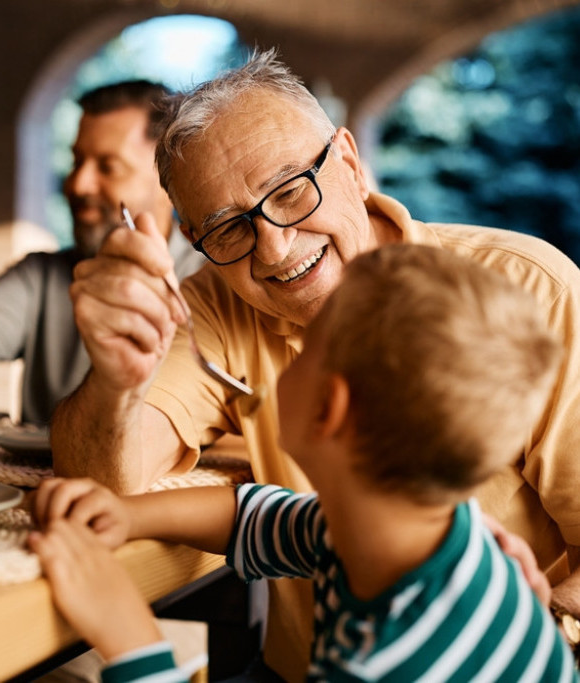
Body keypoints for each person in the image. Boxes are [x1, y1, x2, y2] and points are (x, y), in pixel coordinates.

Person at [51, 48, 580, 680]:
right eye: (226, 229)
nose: (274, 246)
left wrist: (133, 641)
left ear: (352, 164)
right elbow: (264, 518)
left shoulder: (531, 289)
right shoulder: (372, 527)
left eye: (291, 189)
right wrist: (115, 389)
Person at [32, 244, 577, 682]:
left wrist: (131, 638)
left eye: (306, 344)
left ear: (327, 408)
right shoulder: (408, 535)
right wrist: (129, 514)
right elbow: (270, 519)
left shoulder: (388, 661)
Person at [0, 80, 204, 425]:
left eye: (108, 167)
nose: (78, 184)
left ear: (170, 182)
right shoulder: (39, 276)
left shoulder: (213, 283)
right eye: (76, 161)